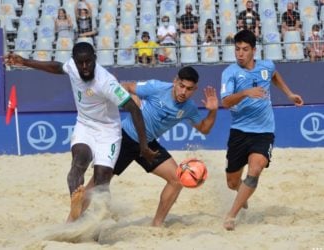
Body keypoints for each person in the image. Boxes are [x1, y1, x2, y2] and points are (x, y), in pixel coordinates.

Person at [3, 42, 158, 223]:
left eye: (88, 62)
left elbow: (134, 109)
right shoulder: (73, 67)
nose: (84, 67)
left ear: (95, 59)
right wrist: (25, 62)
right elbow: (57, 67)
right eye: (80, 63)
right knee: (80, 160)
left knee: (101, 179)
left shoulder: (106, 82)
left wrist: (144, 146)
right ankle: (76, 209)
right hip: (85, 125)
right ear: (75, 62)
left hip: (109, 133)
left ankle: (99, 223)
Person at [73, 66, 218, 227]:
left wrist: (212, 111)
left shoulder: (189, 108)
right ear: (175, 81)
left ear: (195, 89)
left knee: (177, 180)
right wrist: (131, 96)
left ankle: (157, 224)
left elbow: (204, 129)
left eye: (189, 89)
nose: (184, 92)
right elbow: (125, 86)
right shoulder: (156, 87)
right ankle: (72, 222)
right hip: (125, 139)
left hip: (148, 145)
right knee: (98, 183)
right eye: (181, 86)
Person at [220, 29, 304, 231]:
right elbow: (225, 101)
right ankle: (241, 191)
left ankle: (231, 215)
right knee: (232, 182)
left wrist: (289, 94)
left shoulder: (266, 66)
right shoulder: (230, 72)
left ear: (254, 51)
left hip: (264, 131)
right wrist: (246, 92)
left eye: (245, 49)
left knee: (255, 169)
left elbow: (274, 75)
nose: (240, 53)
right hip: (239, 131)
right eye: (237, 49)